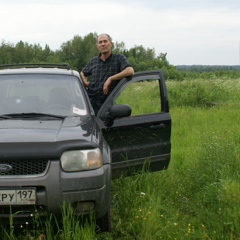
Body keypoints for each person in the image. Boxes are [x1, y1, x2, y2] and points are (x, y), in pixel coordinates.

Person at [80, 33, 134, 114]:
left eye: (105, 41)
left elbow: (130, 71)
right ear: (97, 46)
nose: (103, 44)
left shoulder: (118, 58)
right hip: (90, 104)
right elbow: (83, 73)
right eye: (100, 42)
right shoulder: (93, 61)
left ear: (111, 44)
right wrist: (86, 83)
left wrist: (110, 79)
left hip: (108, 106)